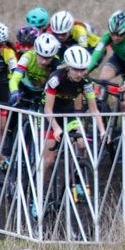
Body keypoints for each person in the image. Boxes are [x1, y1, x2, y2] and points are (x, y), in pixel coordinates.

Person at [41, 46, 106, 199]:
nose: (79, 73)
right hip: (48, 113)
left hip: (67, 111)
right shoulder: (55, 79)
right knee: (49, 159)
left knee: (82, 143)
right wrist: (56, 129)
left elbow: (94, 110)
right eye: (76, 69)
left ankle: (76, 178)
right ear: (68, 67)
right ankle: (39, 194)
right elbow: (48, 110)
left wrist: (103, 130)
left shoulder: (85, 82)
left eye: (82, 69)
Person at [88, 9, 125, 112]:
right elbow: (95, 55)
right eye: (113, 34)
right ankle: (101, 105)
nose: (115, 38)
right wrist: (85, 70)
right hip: (118, 60)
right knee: (101, 80)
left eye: (120, 35)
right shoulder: (106, 36)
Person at [9, 33, 61, 111]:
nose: (43, 62)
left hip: (43, 91)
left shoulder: (56, 63)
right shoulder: (27, 57)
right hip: (25, 88)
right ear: (36, 52)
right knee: (13, 110)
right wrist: (14, 92)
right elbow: (14, 79)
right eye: (41, 56)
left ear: (53, 56)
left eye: (47, 58)